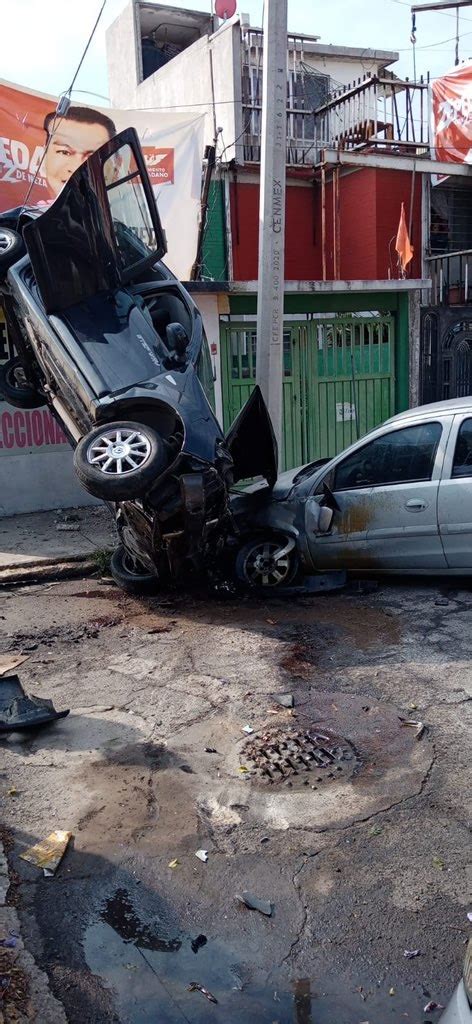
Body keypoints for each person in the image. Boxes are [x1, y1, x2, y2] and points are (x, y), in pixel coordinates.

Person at [42, 105, 116, 200]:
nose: (75, 169)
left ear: (115, 169)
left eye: (92, 158)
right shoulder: (25, 214)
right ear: (44, 155)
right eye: (64, 152)